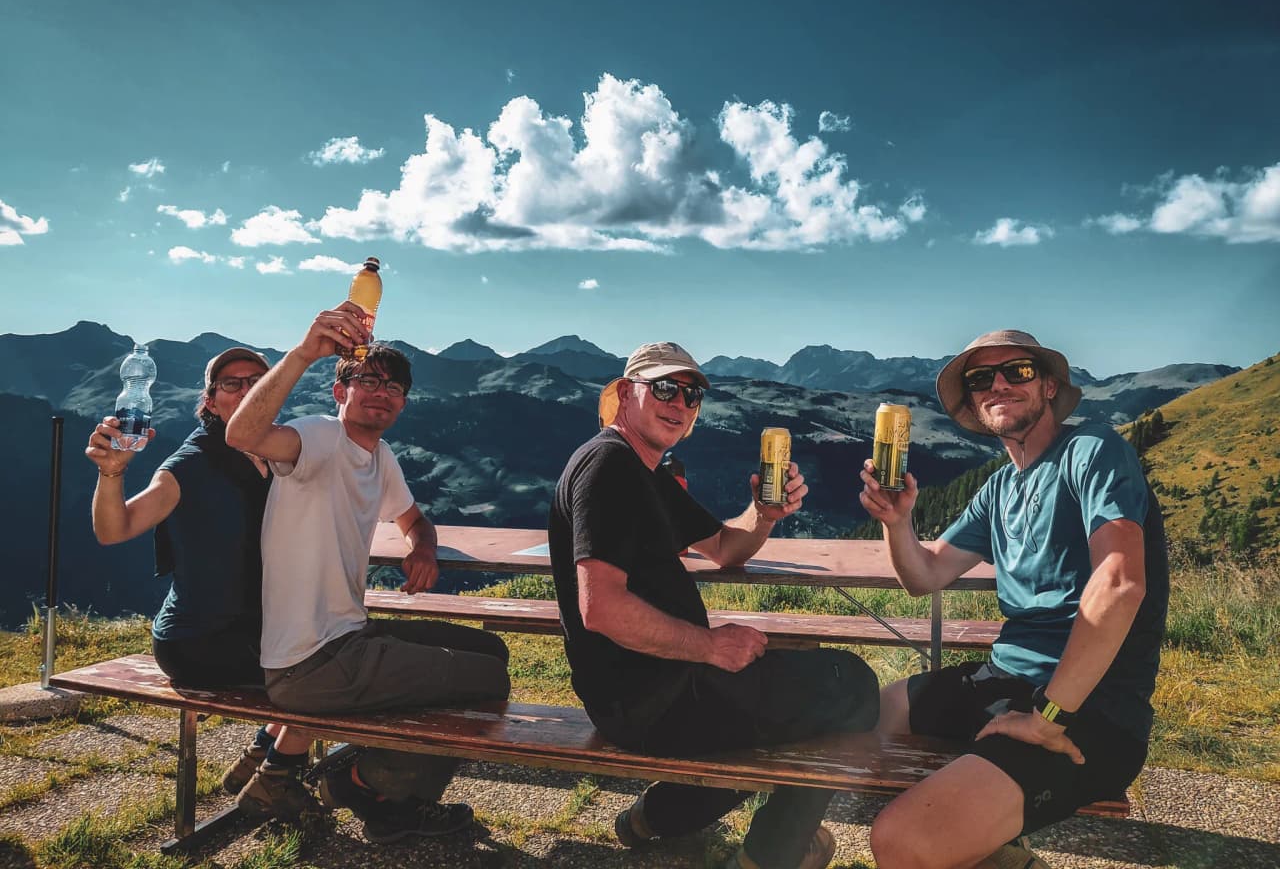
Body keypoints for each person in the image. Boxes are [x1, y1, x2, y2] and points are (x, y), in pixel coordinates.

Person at [549, 342, 880, 869]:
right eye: (663, 387)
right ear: (625, 394)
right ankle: (773, 853)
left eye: (691, 393)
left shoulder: (644, 471)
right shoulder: (607, 463)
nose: (679, 402)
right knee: (852, 685)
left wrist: (766, 514)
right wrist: (708, 645)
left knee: (787, 708)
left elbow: (725, 547)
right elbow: (602, 609)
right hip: (652, 698)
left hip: (649, 690)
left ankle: (654, 819)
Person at [860, 330, 1169, 869]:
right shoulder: (999, 488)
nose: (999, 384)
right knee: (871, 716)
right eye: (982, 379)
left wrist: (1049, 715)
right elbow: (925, 576)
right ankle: (1000, 853)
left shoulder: (1092, 451)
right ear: (975, 403)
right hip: (1006, 682)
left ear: (1049, 386)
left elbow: (1120, 582)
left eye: (1018, 371)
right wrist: (898, 521)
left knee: (901, 841)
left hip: (1089, 707)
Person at [224, 302, 511, 845]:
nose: (382, 392)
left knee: (492, 652)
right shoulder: (318, 439)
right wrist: (306, 352)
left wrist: (422, 546)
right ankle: (373, 793)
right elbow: (243, 435)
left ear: (402, 402)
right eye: (368, 381)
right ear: (341, 392)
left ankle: (281, 761)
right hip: (312, 662)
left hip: (347, 636)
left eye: (394, 386)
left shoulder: (380, 457)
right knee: (489, 682)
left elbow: (413, 518)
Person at [85, 347, 318, 819]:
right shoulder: (190, 464)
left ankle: (262, 753)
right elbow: (115, 530)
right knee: (332, 677)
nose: (248, 387)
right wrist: (112, 474)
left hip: (255, 630)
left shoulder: (276, 453)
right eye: (232, 383)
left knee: (330, 643)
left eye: (259, 379)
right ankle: (275, 778)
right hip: (200, 640)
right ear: (210, 401)